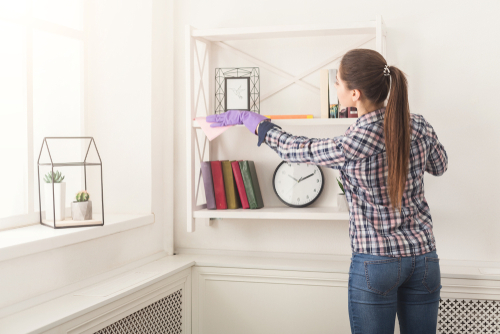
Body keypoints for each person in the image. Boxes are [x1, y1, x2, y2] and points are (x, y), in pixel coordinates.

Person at [206, 48, 448, 334]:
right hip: (424, 260)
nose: (335, 87)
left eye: (338, 82)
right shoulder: (419, 125)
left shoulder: (358, 137)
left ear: (354, 93)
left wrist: (261, 126)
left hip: (376, 261)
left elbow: (298, 150)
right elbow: (439, 166)